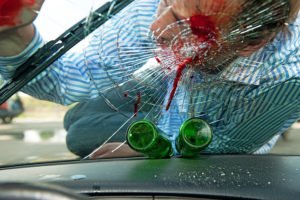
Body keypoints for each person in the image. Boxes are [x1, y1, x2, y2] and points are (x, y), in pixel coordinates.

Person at [0, 0, 299, 158]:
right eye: (165, 1)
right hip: (164, 90)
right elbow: (67, 80)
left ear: (250, 42)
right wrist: (14, 36)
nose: (156, 27)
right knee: (78, 118)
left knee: (79, 133)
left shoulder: (287, 79)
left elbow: (227, 148)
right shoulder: (153, 7)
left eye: (183, 25)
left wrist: (161, 151)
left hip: (210, 137)